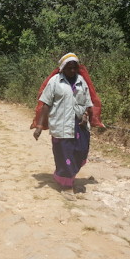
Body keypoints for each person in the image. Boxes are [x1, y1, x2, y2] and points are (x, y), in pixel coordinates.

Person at [33, 53, 93, 197]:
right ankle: (66, 185)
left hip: (79, 125)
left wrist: (86, 115)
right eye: (69, 68)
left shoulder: (81, 81)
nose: (72, 71)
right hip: (61, 124)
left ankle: (65, 176)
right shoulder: (54, 81)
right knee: (65, 154)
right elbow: (46, 104)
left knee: (80, 151)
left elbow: (88, 101)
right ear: (62, 69)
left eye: (75, 68)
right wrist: (39, 126)